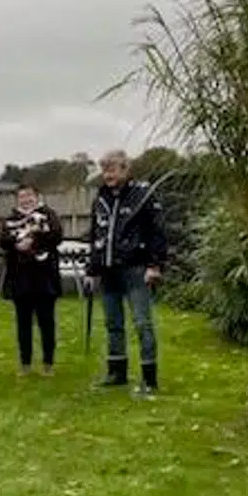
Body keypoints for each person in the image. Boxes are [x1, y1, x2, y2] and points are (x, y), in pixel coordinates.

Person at [85, 149, 168, 396]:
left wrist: (154, 266)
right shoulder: (100, 198)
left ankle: (149, 379)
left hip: (136, 269)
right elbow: (95, 236)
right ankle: (116, 372)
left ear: (125, 169)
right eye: (104, 169)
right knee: (113, 324)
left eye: (112, 169)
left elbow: (158, 233)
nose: (107, 174)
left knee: (142, 323)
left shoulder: (143, 195)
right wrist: (92, 269)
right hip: (109, 270)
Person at [0, 183, 64, 376]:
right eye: (22, 196)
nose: (26, 200)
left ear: (37, 197)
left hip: (44, 277)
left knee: (46, 321)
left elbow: (57, 235)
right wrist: (16, 244)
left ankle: (48, 363)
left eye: (29, 196)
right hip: (21, 277)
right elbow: (3, 241)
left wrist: (34, 241)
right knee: (23, 322)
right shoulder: (11, 219)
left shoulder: (49, 215)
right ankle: (25, 363)